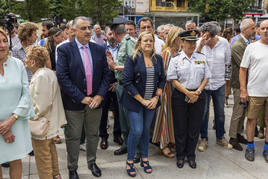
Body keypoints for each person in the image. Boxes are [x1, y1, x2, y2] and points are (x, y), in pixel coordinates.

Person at [56, 16, 110, 178]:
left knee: (93, 134)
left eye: (89, 28)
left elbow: (106, 75)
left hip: (95, 102)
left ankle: (92, 162)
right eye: (83, 28)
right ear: (73, 30)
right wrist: (81, 97)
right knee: (73, 137)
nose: (88, 31)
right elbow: (62, 77)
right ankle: (72, 168)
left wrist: (100, 95)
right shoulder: (64, 50)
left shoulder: (99, 49)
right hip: (74, 103)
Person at [122, 31, 165, 177]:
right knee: (137, 130)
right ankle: (130, 160)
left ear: (154, 43)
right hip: (136, 102)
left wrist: (155, 98)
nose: (148, 43)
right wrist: (143, 100)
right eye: (145, 41)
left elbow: (162, 80)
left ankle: (145, 158)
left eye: (151, 41)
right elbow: (126, 82)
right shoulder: (132, 59)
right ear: (139, 43)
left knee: (146, 130)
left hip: (151, 103)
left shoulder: (158, 59)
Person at [167, 30, 211, 169]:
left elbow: (206, 76)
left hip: (198, 95)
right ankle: (180, 155)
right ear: (182, 42)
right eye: (189, 42)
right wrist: (187, 93)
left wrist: (197, 92)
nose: (192, 45)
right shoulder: (175, 59)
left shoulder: (201, 58)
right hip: (180, 96)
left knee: (194, 127)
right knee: (180, 127)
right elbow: (173, 80)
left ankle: (191, 155)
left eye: (194, 42)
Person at [25, 45, 66, 179]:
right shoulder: (47, 72)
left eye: (27, 57)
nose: (25, 60)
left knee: (43, 161)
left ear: (33, 61)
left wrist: (30, 118)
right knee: (51, 153)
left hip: (42, 125)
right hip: (49, 124)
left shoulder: (41, 76)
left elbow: (42, 105)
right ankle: (56, 176)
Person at [0, 28, 34, 179]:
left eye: (4, 41)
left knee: (16, 160)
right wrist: (3, 127)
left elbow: (26, 95)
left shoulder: (18, 64)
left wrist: (11, 120)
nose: (2, 45)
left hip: (17, 122)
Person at [196, 22, 232, 152]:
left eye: (209, 37)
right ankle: (204, 138)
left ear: (215, 35)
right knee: (203, 113)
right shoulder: (200, 42)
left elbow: (228, 63)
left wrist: (227, 85)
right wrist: (200, 45)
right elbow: (194, 60)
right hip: (204, 85)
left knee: (220, 113)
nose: (207, 40)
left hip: (219, 84)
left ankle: (220, 137)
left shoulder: (224, 43)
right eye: (204, 36)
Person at [152, 26, 184, 158]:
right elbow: (163, 74)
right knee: (165, 118)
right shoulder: (167, 52)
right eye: (181, 37)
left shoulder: (178, 52)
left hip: (176, 90)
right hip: (166, 90)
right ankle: (163, 145)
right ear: (175, 38)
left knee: (172, 119)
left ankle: (171, 141)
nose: (183, 40)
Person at [106, 18, 136, 157]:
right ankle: (126, 144)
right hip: (120, 84)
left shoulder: (129, 42)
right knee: (123, 119)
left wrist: (115, 66)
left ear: (114, 33)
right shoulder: (122, 43)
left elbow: (135, 65)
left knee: (130, 120)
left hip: (127, 87)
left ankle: (135, 149)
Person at [240, 19, 268, 163]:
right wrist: (243, 90)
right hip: (255, 92)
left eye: (267, 28)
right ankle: (250, 146)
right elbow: (243, 69)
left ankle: (267, 148)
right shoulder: (251, 48)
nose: (265, 31)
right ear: (258, 30)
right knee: (251, 120)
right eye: (263, 28)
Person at [229, 18, 256, 151]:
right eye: (252, 28)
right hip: (239, 84)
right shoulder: (238, 45)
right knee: (238, 112)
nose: (254, 30)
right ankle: (233, 137)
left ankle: (238, 134)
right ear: (245, 30)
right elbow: (245, 65)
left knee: (243, 111)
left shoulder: (247, 43)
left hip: (246, 83)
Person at [99, 26, 123, 150]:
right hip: (105, 85)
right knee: (103, 112)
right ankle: (103, 136)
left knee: (118, 111)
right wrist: (106, 83)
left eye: (114, 34)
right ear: (105, 35)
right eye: (109, 34)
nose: (112, 36)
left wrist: (117, 83)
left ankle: (117, 135)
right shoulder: (100, 49)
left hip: (118, 83)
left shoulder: (122, 48)